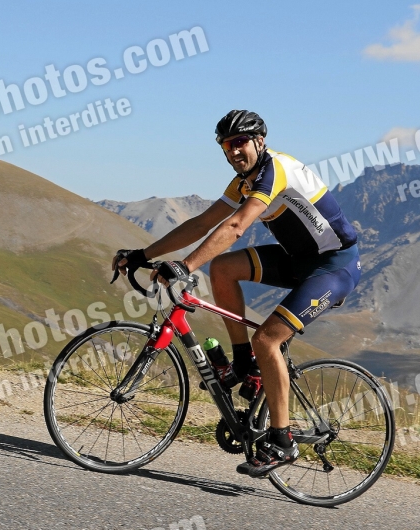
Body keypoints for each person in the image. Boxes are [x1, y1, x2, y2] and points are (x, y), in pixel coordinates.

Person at [111, 110, 361, 477]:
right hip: (298, 260)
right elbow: (200, 223)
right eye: (226, 145)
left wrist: (185, 266)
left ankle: (283, 441)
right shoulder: (243, 181)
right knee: (224, 268)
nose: (233, 151)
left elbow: (235, 225)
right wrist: (142, 255)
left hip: (333, 266)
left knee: (268, 340)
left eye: (240, 142)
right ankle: (242, 363)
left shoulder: (276, 171)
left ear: (260, 140)